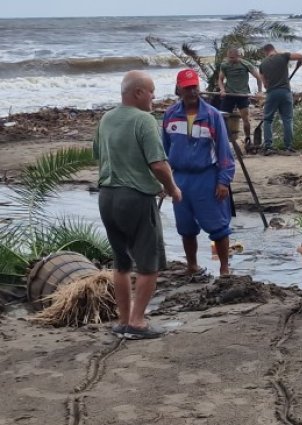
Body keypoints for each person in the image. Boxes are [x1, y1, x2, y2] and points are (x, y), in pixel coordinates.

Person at [94, 70, 182, 340]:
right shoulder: (144, 120)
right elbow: (158, 164)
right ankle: (138, 322)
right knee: (148, 263)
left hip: (106, 197)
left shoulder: (107, 118)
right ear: (137, 93)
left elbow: (98, 154)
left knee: (121, 264)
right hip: (135, 198)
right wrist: (172, 189)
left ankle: (123, 321)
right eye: (151, 91)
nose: (155, 96)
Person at [163, 69, 236, 277]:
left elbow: (224, 151)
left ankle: (224, 268)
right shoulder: (170, 115)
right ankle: (192, 265)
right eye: (187, 88)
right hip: (180, 178)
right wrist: (166, 181)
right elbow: (164, 149)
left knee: (218, 226)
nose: (192, 91)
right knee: (185, 226)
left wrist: (223, 180)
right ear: (179, 89)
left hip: (207, 177)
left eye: (194, 87)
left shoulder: (212, 115)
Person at [258, 43, 302, 156]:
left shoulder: (262, 64)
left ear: (265, 52)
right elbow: (300, 56)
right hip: (285, 92)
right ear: (274, 49)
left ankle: (268, 147)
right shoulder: (283, 56)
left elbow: (265, 85)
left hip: (272, 93)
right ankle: (288, 147)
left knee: (268, 120)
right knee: (287, 120)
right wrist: (296, 62)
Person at [217, 47, 263, 148]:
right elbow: (220, 79)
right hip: (229, 95)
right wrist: (222, 89)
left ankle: (247, 138)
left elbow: (258, 77)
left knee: (245, 118)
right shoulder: (225, 65)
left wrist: (260, 91)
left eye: (233, 58)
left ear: (239, 56)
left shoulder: (246, 64)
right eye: (229, 58)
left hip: (243, 95)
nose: (231, 60)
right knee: (222, 118)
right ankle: (223, 139)